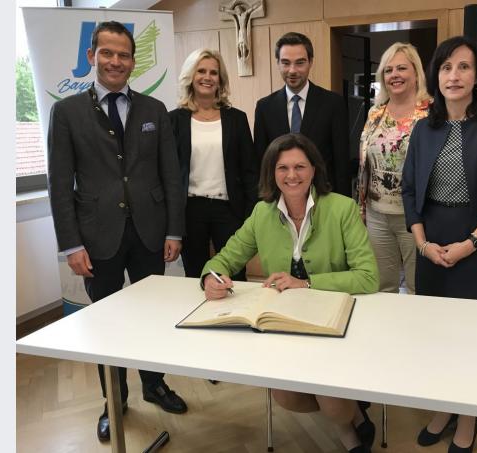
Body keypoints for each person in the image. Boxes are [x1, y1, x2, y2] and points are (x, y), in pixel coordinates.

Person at [47, 21, 188, 442]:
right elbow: (60, 183)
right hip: (97, 238)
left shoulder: (154, 111)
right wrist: (71, 243)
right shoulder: (67, 112)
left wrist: (175, 232)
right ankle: (115, 399)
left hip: (150, 233)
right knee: (106, 324)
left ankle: (154, 384)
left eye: (123, 55)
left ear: (132, 61)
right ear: (92, 57)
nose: (115, 61)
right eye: (107, 53)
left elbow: (171, 175)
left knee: (152, 318)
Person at [201, 133, 379, 453]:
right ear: (272, 172)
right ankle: (353, 409)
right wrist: (210, 278)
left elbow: (368, 278)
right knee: (286, 396)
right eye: (282, 167)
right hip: (281, 322)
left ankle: (350, 434)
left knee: (331, 398)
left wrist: (307, 283)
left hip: (331, 320)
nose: (291, 175)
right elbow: (223, 259)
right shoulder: (261, 213)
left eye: (300, 166)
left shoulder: (342, 209)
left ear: (314, 170)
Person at [401, 36, 477, 453]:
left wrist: (470, 244)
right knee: (436, 334)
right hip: (431, 243)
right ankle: (442, 407)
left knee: (472, 340)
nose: (454, 75)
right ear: (436, 76)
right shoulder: (424, 127)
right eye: (446, 67)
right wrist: (422, 243)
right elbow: (410, 189)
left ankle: (468, 416)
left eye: (464, 67)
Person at [169, 49, 258, 281]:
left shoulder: (236, 119)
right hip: (190, 211)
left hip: (228, 209)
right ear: (190, 76)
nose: (207, 77)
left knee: (236, 273)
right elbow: (168, 174)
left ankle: (237, 318)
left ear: (221, 79)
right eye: (201, 71)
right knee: (195, 275)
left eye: (213, 72)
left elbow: (249, 170)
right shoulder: (174, 120)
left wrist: (250, 215)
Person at [357, 42, 431, 294]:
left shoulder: (431, 113)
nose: (394, 75)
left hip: (415, 216)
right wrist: (362, 208)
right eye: (388, 70)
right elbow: (365, 164)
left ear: (416, 73)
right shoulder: (375, 113)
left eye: (401, 68)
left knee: (416, 286)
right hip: (377, 214)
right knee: (381, 286)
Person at [254, 32, 352, 196]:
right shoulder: (264, 107)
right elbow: (262, 162)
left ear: (310, 62)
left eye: (300, 63)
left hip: (323, 196)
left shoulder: (333, 104)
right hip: (279, 198)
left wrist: (345, 204)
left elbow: (341, 162)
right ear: (277, 63)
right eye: (286, 63)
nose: (292, 70)